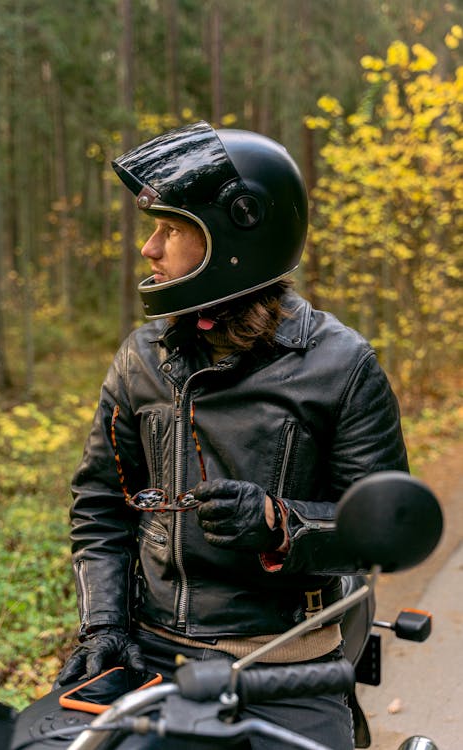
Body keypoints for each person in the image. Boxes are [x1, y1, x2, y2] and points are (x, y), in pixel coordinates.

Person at [55, 121, 409, 749]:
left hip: (289, 665)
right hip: (155, 660)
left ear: (234, 239)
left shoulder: (342, 365)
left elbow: (382, 532)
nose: (149, 249)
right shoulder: (142, 358)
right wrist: (103, 625)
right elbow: (101, 504)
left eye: (170, 230)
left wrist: (280, 524)